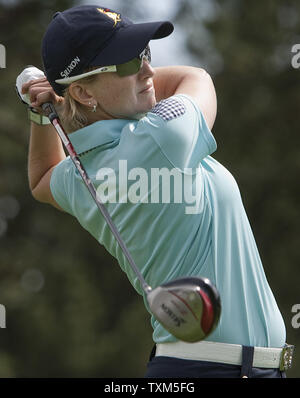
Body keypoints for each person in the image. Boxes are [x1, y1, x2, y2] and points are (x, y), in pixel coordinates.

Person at [17, 5, 293, 378]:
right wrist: (60, 96)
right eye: (128, 63)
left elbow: (41, 178)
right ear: (84, 91)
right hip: (219, 369)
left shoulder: (80, 174)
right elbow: (196, 77)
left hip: (197, 366)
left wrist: (42, 112)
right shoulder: (164, 136)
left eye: (144, 54)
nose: (147, 70)